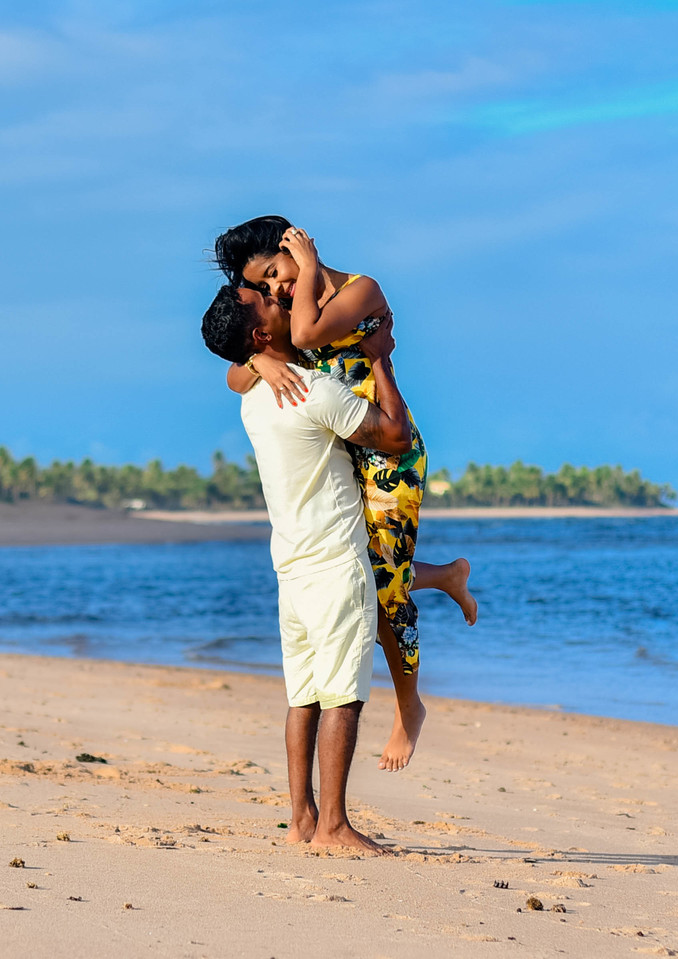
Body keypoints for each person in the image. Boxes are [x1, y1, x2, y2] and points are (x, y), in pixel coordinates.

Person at [214, 215, 474, 773]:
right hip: (346, 440)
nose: (278, 291)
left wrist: (306, 270)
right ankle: (450, 576)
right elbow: (234, 374)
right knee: (376, 571)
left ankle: (409, 710)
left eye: (276, 274)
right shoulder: (293, 302)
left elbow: (307, 337)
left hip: (388, 451)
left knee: (385, 590)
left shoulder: (361, 290)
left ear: (296, 246)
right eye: (266, 289)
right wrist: (258, 357)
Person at [200, 284, 409, 853]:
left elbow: (237, 370)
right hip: (335, 562)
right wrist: (381, 359)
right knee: (343, 696)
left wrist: (257, 360)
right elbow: (395, 436)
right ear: (263, 335)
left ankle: (301, 820)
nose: (283, 300)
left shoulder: (253, 396)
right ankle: (334, 827)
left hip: (291, 567)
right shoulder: (314, 391)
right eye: (269, 303)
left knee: (304, 696)